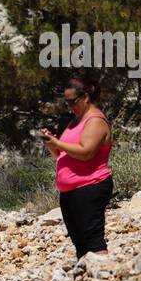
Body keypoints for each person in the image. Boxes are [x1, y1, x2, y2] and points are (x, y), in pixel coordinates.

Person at [41, 77, 114, 259]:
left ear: (86, 97)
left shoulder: (95, 121)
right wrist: (53, 146)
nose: (70, 106)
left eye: (73, 101)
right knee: (79, 242)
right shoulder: (75, 122)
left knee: (93, 240)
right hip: (71, 190)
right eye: (67, 103)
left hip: (90, 186)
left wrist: (58, 142)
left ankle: (103, 277)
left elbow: (86, 152)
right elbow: (64, 155)